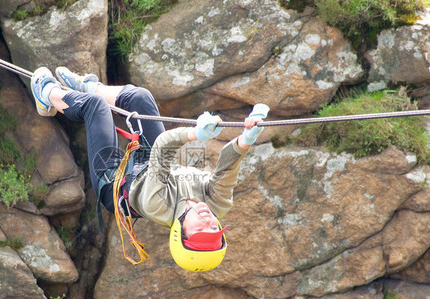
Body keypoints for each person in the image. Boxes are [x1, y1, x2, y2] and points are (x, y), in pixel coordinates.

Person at [30, 66, 269, 271]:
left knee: (95, 108)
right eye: (214, 228)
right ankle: (88, 86)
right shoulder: (218, 204)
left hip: (114, 182)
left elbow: (164, 149)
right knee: (140, 98)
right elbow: (227, 169)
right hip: (150, 166)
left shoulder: (159, 205)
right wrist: (247, 137)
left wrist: (195, 134)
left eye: (200, 229)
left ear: (180, 232)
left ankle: (47, 94)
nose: (208, 220)